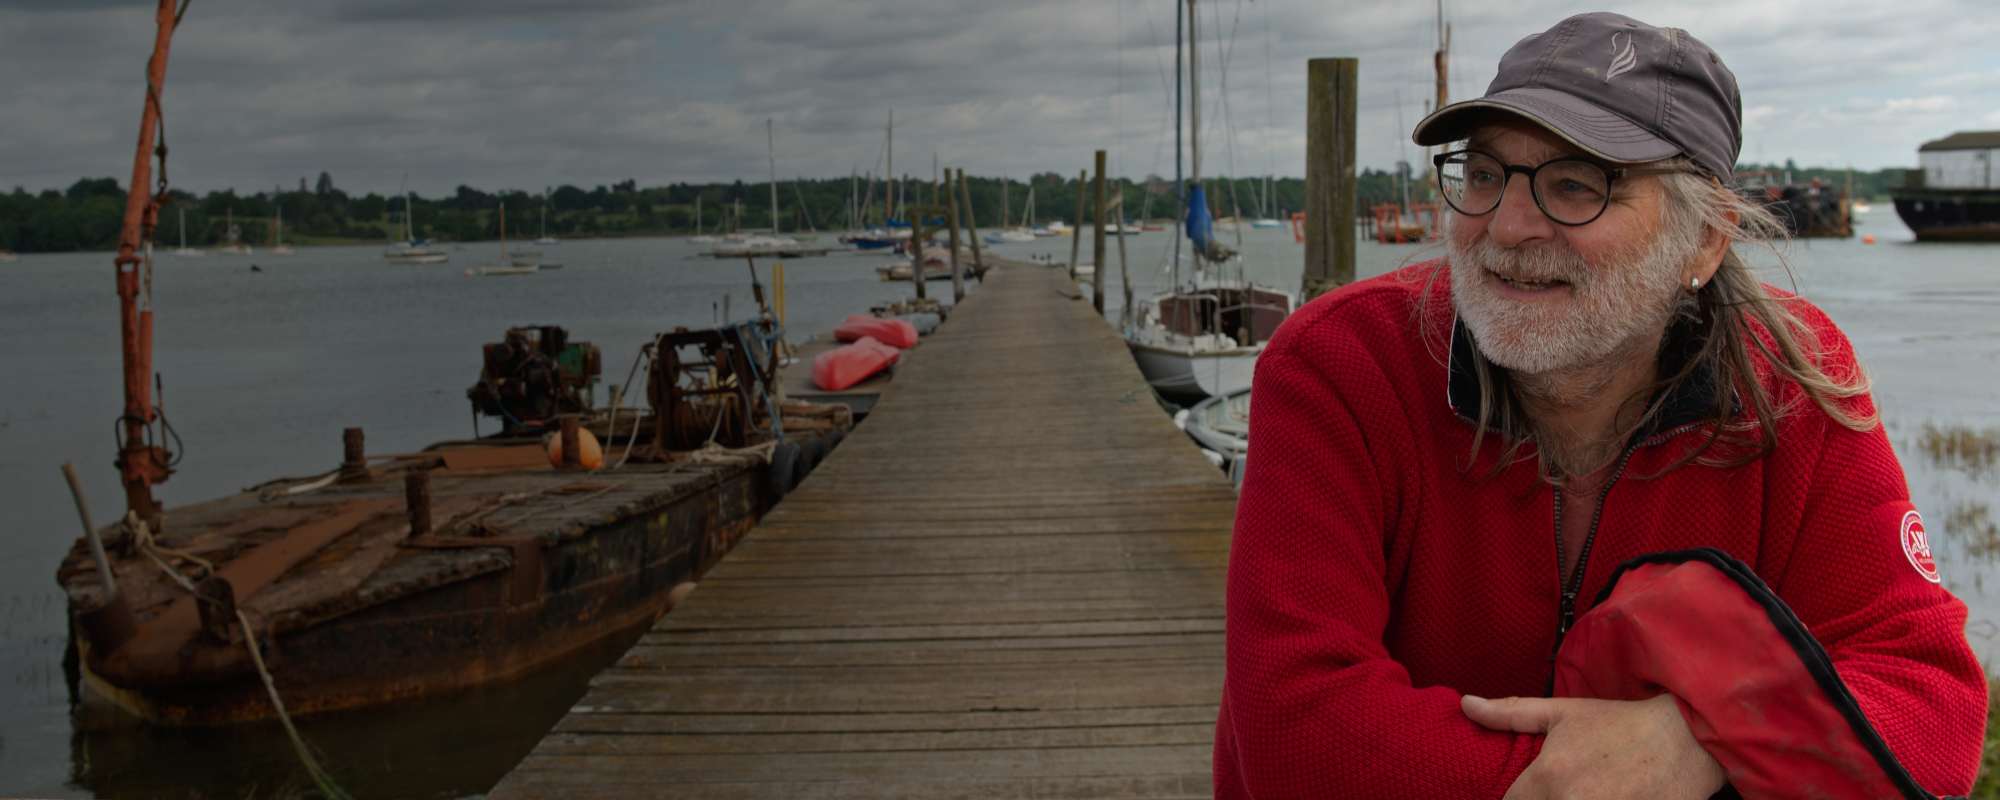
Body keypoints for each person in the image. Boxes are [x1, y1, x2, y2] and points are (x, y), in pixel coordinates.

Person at [1214, 12, 1985, 799]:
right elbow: (1295, 730)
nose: (1507, 228)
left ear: (1707, 239)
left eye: (1577, 185)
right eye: (1484, 175)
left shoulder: (1794, 380)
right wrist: (1643, 772)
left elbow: (1931, 704)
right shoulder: (1339, 367)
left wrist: (1703, 742)